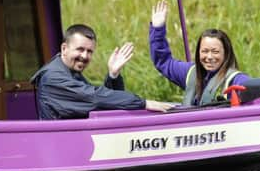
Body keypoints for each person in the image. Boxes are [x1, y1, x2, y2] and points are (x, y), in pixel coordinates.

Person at [30, 24, 172, 120]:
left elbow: (105, 104)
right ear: (64, 48)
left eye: (89, 51)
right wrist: (143, 103)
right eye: (80, 49)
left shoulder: (69, 70)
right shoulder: (54, 78)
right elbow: (95, 98)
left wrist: (113, 74)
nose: (85, 56)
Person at [149, 0, 249, 106]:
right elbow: (164, 62)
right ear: (198, 53)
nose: (209, 57)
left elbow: (257, 91)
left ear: (226, 54)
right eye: (204, 51)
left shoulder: (236, 80)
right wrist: (158, 29)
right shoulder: (191, 73)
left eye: (215, 52)